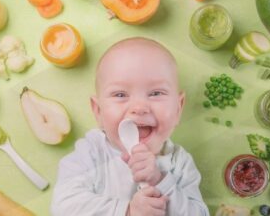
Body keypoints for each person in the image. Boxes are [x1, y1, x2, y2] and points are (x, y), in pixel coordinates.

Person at [51, 37, 209, 216]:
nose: (139, 108)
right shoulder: (91, 152)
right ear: (98, 111)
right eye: (120, 94)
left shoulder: (179, 164)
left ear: (178, 108)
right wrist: (127, 211)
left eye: (156, 93)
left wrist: (160, 181)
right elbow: (62, 207)